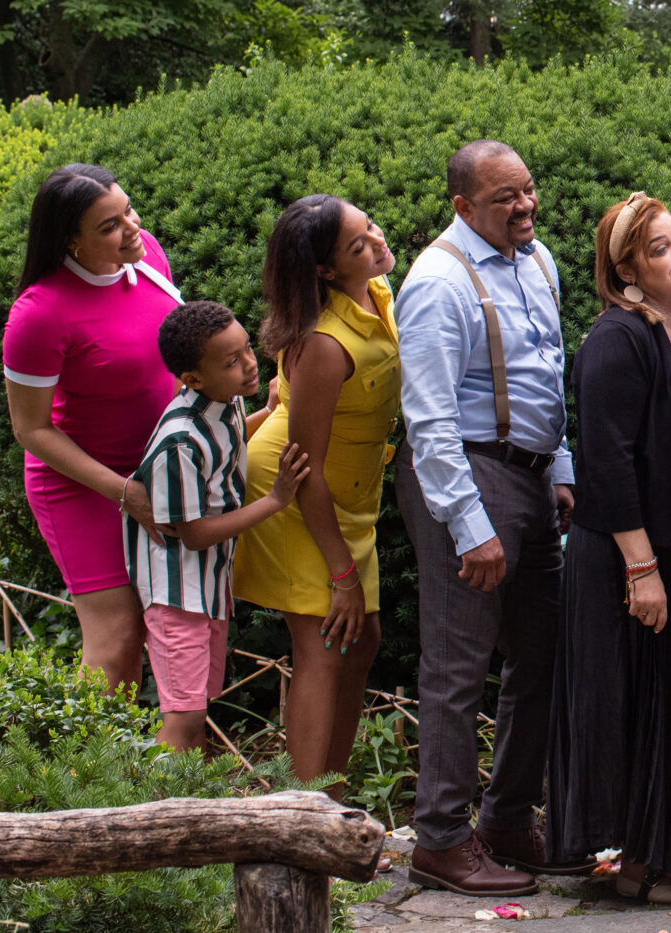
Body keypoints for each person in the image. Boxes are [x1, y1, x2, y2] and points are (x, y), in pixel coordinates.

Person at [396, 140, 586, 897]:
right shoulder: (438, 282)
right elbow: (429, 420)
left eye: (528, 190)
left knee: (538, 656)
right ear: (463, 206)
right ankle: (439, 838)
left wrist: (562, 468)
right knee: (457, 665)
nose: (524, 206)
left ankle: (508, 819)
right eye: (505, 197)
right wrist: (468, 522)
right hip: (467, 477)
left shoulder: (538, 263)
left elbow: (548, 371)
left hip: (533, 477)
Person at [546, 194, 671, 903]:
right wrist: (642, 567)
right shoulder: (618, 339)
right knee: (634, 708)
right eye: (659, 247)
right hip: (630, 553)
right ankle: (640, 867)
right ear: (626, 269)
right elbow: (608, 460)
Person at [3, 164, 214, 692]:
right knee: (117, 641)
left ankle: (164, 762)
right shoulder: (39, 314)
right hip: (82, 487)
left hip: (159, 472)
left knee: (179, 629)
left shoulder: (149, 259)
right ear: (69, 241)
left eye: (128, 210)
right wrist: (125, 492)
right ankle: (88, 772)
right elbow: (30, 430)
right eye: (109, 226)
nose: (131, 228)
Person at [236, 195, 401, 787]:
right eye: (358, 245)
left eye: (370, 227)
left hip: (348, 492)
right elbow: (298, 465)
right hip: (295, 494)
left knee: (361, 642)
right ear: (327, 270)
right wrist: (340, 572)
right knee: (326, 643)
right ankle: (308, 818)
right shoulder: (325, 345)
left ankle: (330, 795)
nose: (377, 242)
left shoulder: (373, 294)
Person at [126, 301, 309, 750]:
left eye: (247, 349)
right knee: (184, 717)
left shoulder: (223, 401)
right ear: (193, 379)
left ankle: (191, 804)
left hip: (207, 589)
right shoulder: (178, 442)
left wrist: (265, 413)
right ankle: (160, 815)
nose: (249, 365)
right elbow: (193, 533)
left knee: (198, 706)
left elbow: (223, 450)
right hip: (177, 596)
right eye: (232, 361)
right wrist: (275, 500)